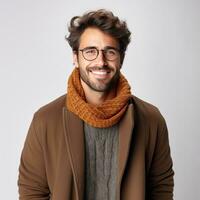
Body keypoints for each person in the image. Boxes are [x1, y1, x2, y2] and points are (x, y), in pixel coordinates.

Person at [18, 9, 174, 200]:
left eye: (110, 52)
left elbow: (161, 190)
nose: (101, 62)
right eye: (90, 51)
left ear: (121, 58)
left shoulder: (151, 119)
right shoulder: (45, 120)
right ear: (75, 57)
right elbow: (31, 192)